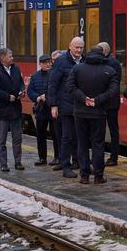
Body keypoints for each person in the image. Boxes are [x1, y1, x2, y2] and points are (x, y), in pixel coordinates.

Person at [68, 46, 118, 184]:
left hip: (80, 112)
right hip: (99, 113)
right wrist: (97, 100)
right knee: (98, 144)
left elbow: (70, 87)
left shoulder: (77, 69)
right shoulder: (109, 71)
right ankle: (98, 175)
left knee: (82, 144)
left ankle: (84, 175)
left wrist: (84, 98)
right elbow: (113, 91)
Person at [48, 37, 85, 178]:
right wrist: (53, 105)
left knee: (80, 137)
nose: (79, 50)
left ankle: (80, 162)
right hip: (65, 104)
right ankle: (65, 166)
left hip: (80, 105)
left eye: (81, 47)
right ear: (70, 46)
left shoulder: (84, 60)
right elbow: (53, 84)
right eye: (76, 47)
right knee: (67, 137)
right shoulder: (61, 62)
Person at [0, 48, 25, 172]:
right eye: (10, 56)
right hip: (2, 111)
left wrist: (21, 91)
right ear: (3, 58)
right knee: (2, 140)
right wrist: (7, 96)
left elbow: (21, 83)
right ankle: (3, 164)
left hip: (15, 109)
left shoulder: (16, 69)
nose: (12, 58)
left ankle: (18, 162)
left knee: (17, 138)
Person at [97, 42, 122, 166]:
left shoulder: (111, 63)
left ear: (105, 51)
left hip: (109, 102)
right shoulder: (114, 63)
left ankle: (113, 157)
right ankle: (111, 156)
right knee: (110, 130)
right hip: (110, 102)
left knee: (110, 130)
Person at [27, 54, 53, 166]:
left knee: (56, 135)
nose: (48, 64)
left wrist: (48, 96)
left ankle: (58, 158)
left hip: (53, 108)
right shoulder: (35, 76)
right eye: (45, 62)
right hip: (41, 109)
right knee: (40, 135)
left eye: (49, 62)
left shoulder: (55, 75)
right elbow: (30, 91)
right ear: (40, 64)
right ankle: (42, 158)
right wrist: (38, 97)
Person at [48, 50, 63, 166]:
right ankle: (58, 157)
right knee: (56, 134)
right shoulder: (51, 72)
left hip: (63, 106)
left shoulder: (58, 71)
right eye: (53, 60)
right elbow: (50, 88)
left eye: (56, 60)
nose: (54, 62)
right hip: (56, 107)